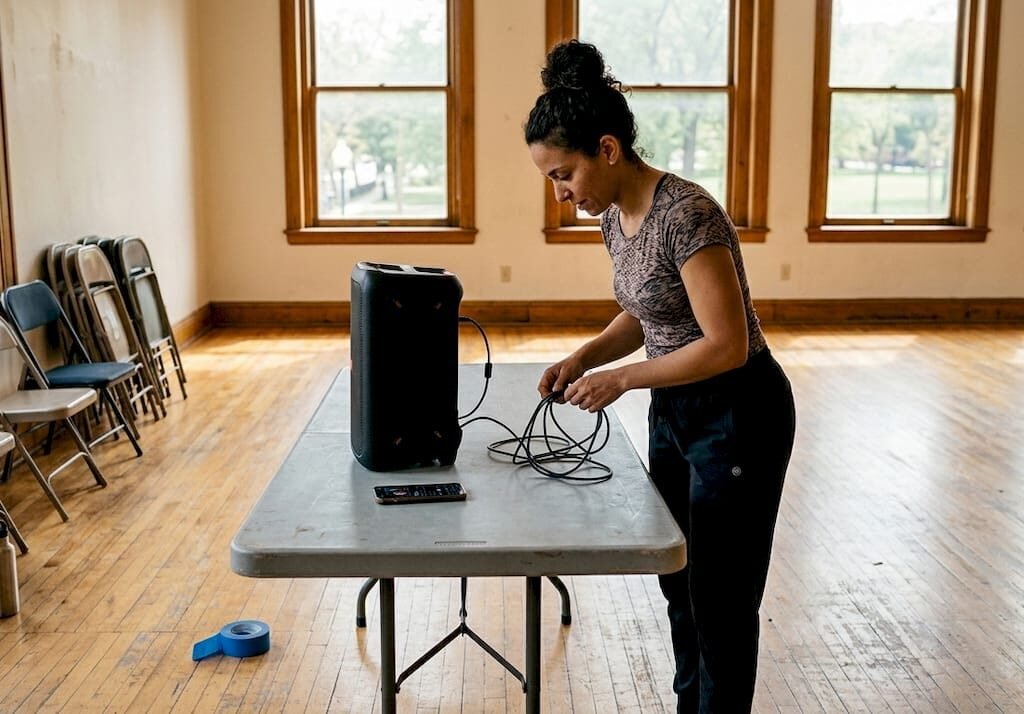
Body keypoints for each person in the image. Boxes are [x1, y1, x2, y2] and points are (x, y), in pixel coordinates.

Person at [524, 39, 796, 713]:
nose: (562, 195)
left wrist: (622, 381)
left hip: (739, 410)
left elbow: (726, 345)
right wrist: (588, 356)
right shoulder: (615, 215)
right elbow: (645, 309)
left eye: (564, 175)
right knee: (679, 581)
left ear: (608, 150)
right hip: (676, 408)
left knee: (722, 602)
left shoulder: (688, 215)